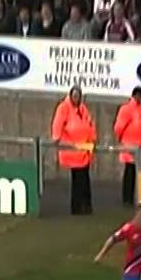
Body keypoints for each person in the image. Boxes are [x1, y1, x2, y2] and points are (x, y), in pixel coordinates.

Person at [51, 85, 96, 215]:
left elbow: (89, 124)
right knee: (78, 180)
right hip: (73, 149)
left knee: (85, 179)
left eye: (78, 96)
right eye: (74, 96)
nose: (76, 98)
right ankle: (77, 208)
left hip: (84, 149)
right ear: (70, 96)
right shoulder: (63, 108)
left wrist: (93, 138)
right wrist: (56, 137)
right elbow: (57, 123)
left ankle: (86, 206)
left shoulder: (83, 109)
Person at [94, 202, 141, 280]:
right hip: (132, 270)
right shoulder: (128, 228)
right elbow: (113, 239)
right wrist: (100, 255)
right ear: (137, 214)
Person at [113, 87, 141, 205]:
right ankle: (127, 198)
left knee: (138, 173)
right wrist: (122, 140)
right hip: (130, 145)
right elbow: (118, 127)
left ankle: (136, 197)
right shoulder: (127, 109)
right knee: (130, 172)